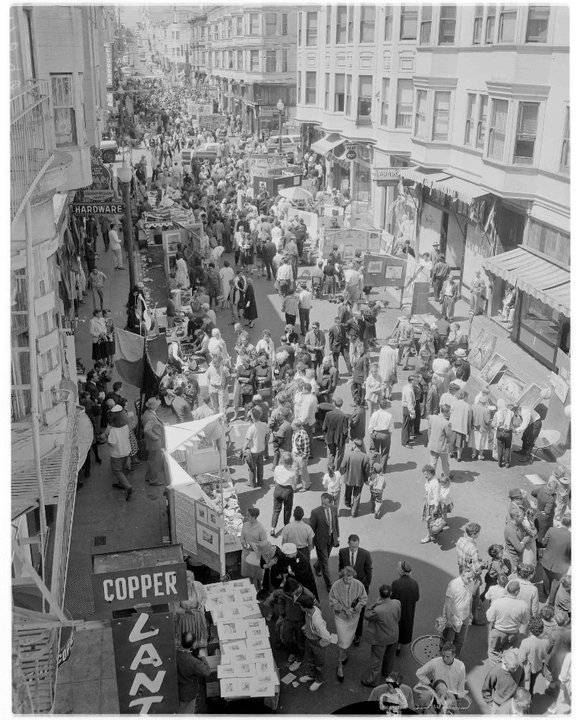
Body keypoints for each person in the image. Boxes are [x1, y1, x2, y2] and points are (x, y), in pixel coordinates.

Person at [329, 566, 367, 682]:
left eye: (350, 579)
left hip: (354, 618)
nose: (348, 581)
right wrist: (344, 609)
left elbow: (364, 599)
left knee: (348, 639)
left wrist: (355, 608)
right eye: (346, 579)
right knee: (342, 641)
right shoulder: (336, 585)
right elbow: (332, 600)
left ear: (353, 576)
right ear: (342, 576)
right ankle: (340, 665)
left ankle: (344, 654)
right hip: (340, 618)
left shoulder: (359, 584)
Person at [361, 584, 401, 687]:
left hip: (380, 639)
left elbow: (367, 615)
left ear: (380, 594)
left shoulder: (378, 610)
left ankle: (373, 681)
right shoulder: (397, 603)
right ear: (391, 593)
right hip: (394, 635)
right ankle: (386, 673)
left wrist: (375, 603)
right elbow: (398, 617)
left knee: (377, 659)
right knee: (390, 657)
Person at [298, 594, 338, 692]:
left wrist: (320, 644)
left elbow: (326, 636)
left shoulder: (317, 621)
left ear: (304, 607)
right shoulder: (311, 610)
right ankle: (312, 675)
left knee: (318, 663)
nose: (299, 607)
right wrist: (306, 627)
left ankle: (319, 680)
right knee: (310, 660)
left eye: (300, 605)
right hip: (309, 640)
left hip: (315, 643)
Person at [338, 535, 372, 645]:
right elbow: (341, 569)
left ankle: (358, 634)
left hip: (360, 589)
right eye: (352, 548)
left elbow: (369, 572)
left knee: (359, 612)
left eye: (356, 547)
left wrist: (365, 587)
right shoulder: (342, 552)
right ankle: (348, 631)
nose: (354, 549)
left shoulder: (365, 554)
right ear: (348, 544)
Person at [486, 580, 530, 663]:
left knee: (492, 651)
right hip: (512, 633)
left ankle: (494, 665)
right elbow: (525, 621)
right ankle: (505, 665)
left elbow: (489, 617)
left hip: (497, 632)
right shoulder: (523, 605)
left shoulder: (497, 602)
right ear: (517, 591)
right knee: (507, 653)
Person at [441, 569, 478, 657]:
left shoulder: (470, 583)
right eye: (468, 578)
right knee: (448, 641)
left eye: (472, 578)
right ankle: (444, 658)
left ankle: (455, 658)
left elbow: (470, 598)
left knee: (460, 641)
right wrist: (449, 620)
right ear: (462, 575)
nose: (470, 580)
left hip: (465, 617)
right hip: (453, 618)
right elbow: (448, 603)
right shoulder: (453, 585)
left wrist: (470, 613)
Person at [176, 631, 212, 714]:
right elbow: (207, 672)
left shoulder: (175, 655)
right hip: (188, 694)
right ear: (193, 644)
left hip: (177, 690)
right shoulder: (193, 662)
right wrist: (203, 657)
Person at [540, 513, 571, 606]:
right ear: (570, 525)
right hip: (561, 566)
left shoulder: (551, 530)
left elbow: (544, 543)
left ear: (561, 521)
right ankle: (550, 603)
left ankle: (546, 593)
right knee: (555, 584)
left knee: (546, 579)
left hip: (547, 561)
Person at [310, 493, 339, 590]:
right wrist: (311, 543)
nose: (325, 505)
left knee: (324, 559)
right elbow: (311, 529)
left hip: (331, 539)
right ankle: (329, 585)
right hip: (320, 541)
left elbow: (335, 523)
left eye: (328, 504)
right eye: (324, 503)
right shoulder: (315, 512)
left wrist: (337, 536)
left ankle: (317, 566)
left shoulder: (334, 509)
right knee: (325, 563)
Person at [481, 649, 525, 714]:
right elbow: (486, 690)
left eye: (517, 666)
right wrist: (491, 704)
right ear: (505, 663)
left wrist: (520, 695)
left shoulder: (520, 666)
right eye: (513, 668)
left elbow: (521, 681)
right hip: (498, 705)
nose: (516, 670)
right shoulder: (495, 672)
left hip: (513, 702)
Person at [517, 616, 553, 694]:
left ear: (530, 630)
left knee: (523, 683)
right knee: (532, 683)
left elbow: (521, 658)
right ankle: (530, 695)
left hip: (527, 668)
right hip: (538, 666)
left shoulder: (525, 642)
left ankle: (524, 697)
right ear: (542, 628)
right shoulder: (547, 641)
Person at [391, 561, 420, 655]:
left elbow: (392, 598)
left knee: (396, 626)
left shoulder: (396, 583)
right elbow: (417, 598)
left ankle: (394, 643)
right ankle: (400, 645)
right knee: (405, 627)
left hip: (397, 611)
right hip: (409, 611)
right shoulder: (414, 583)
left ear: (401, 571)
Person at [175, 570, 208, 651]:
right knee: (188, 637)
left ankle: (198, 650)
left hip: (198, 615)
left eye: (188, 581)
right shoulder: (177, 590)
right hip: (186, 616)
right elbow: (176, 609)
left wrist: (201, 604)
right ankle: (189, 650)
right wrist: (187, 611)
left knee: (199, 636)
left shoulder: (198, 585)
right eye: (184, 582)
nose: (186, 584)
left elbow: (204, 597)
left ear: (193, 580)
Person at [107, 405, 133, 501]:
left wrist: (107, 440)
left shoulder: (113, 430)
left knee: (117, 471)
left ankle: (128, 486)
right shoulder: (125, 425)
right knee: (122, 469)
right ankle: (120, 483)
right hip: (126, 451)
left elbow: (112, 443)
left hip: (117, 454)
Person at [341, 438, 370, 518]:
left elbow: (342, 466)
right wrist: (366, 479)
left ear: (354, 445)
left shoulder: (348, 454)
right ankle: (354, 512)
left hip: (349, 478)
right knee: (357, 495)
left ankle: (347, 502)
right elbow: (366, 470)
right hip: (359, 479)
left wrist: (342, 473)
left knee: (348, 491)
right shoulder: (365, 457)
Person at [240, 507, 267, 590]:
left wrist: (253, 545)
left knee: (256, 575)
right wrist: (244, 543)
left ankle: (258, 591)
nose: (246, 517)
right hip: (246, 553)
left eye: (248, 516)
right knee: (248, 574)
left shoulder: (260, 528)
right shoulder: (245, 525)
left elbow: (264, 542)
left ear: (254, 517)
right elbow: (242, 538)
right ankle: (249, 590)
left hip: (255, 555)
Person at [270, 451, 296, 537]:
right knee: (287, 510)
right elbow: (294, 484)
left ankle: (273, 528)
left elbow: (275, 479)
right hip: (287, 491)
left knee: (276, 510)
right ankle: (286, 526)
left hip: (278, 489)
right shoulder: (292, 471)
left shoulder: (277, 468)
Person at [142, 397, 165, 486]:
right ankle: (153, 480)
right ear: (154, 406)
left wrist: (163, 424)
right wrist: (155, 437)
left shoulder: (148, 413)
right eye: (157, 404)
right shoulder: (150, 416)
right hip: (155, 442)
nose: (158, 405)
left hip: (152, 442)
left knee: (151, 460)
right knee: (155, 462)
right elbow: (147, 430)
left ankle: (148, 477)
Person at [243, 407, 268, 488]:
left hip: (253, 451)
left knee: (252, 468)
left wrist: (243, 450)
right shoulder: (264, 425)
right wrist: (265, 443)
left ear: (252, 417)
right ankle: (260, 481)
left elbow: (247, 441)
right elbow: (267, 435)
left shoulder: (251, 428)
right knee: (260, 466)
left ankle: (252, 483)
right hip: (261, 449)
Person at [322, 397, 349, 471]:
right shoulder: (344, 416)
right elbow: (345, 432)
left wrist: (326, 436)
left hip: (329, 438)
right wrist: (343, 439)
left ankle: (330, 469)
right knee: (339, 455)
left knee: (331, 454)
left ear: (334, 404)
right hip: (339, 439)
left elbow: (324, 427)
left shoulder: (328, 414)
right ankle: (337, 470)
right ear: (342, 405)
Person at [427, 404, 452, 476]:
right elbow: (449, 435)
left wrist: (429, 440)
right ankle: (446, 476)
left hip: (432, 444)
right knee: (445, 463)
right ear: (446, 412)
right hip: (442, 447)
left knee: (432, 462)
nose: (450, 413)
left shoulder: (432, 418)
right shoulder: (446, 423)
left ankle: (430, 477)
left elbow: (429, 430)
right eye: (449, 412)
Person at [492, 398, 515, 468]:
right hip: (508, 432)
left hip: (500, 431)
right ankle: (507, 463)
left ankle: (500, 462)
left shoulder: (497, 413)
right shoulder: (511, 413)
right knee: (507, 447)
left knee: (500, 447)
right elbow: (512, 424)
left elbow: (494, 424)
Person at [291, 419, 311, 491]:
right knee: (294, 471)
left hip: (301, 456)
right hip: (295, 454)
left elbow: (306, 448)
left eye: (293, 425)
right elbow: (294, 444)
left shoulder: (303, 434)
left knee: (303, 472)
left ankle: (306, 486)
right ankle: (293, 487)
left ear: (297, 426)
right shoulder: (295, 432)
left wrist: (303, 458)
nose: (291, 426)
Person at [401, 376, 417, 447]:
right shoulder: (409, 390)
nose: (416, 382)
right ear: (412, 381)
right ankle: (405, 442)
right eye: (415, 380)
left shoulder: (407, 387)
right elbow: (409, 402)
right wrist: (412, 412)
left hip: (407, 408)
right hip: (408, 409)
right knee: (406, 426)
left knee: (408, 425)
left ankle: (406, 439)